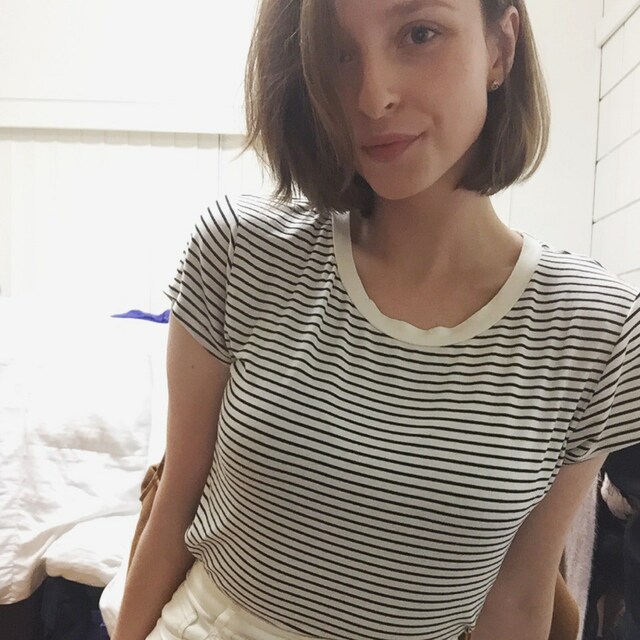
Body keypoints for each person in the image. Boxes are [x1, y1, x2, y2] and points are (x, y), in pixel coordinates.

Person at [112, 1, 640, 639]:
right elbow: (175, 505)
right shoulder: (239, 249)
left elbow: (521, 591)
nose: (371, 96)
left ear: (500, 47)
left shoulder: (598, 327)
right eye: (337, 52)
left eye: (419, 34)